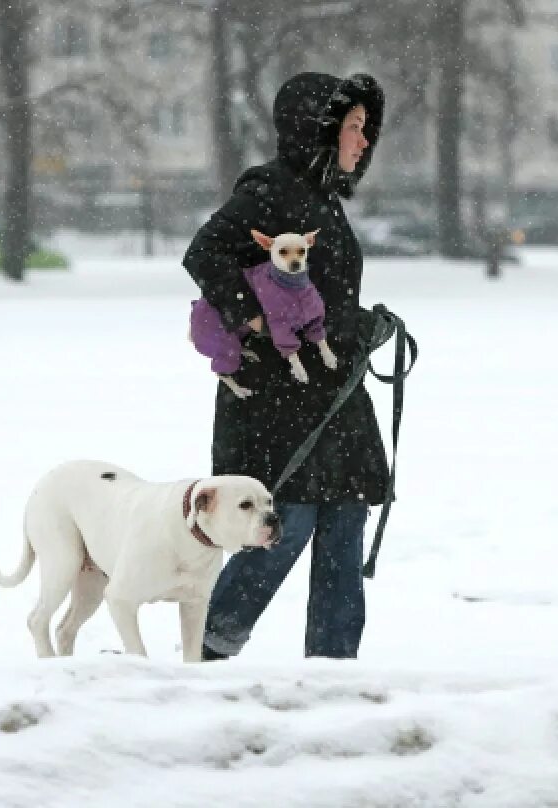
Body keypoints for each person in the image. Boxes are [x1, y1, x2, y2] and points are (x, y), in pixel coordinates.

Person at [182, 72, 390, 660]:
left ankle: (332, 671)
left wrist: (354, 325)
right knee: (283, 527)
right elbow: (206, 254)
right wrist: (250, 323)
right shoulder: (270, 189)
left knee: (345, 530)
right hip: (279, 404)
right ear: (316, 132)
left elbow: (310, 294)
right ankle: (205, 649)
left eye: (366, 129)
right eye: (353, 128)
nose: (363, 141)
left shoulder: (322, 201)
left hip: (335, 398)